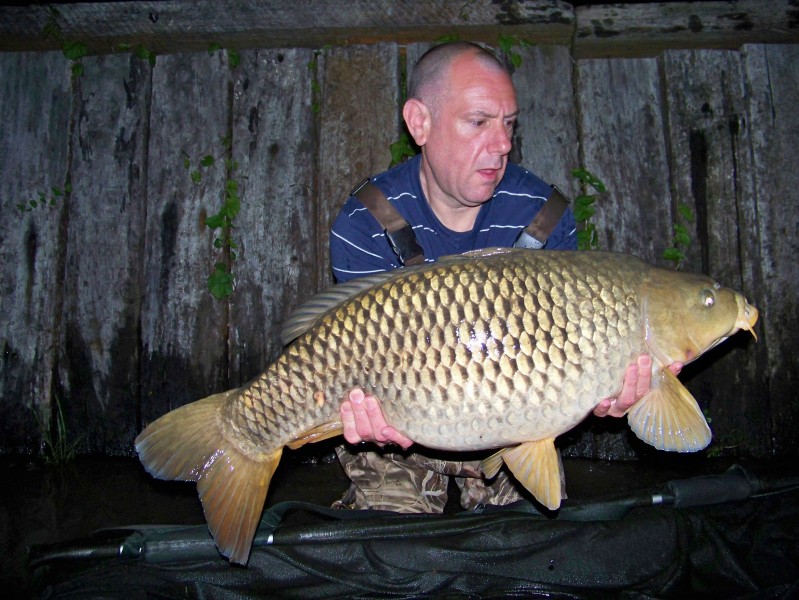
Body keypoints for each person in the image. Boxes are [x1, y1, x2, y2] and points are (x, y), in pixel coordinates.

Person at [328, 41, 681, 512]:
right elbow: (344, 357)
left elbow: (567, 357)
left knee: (522, 541)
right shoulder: (365, 220)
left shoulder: (544, 215)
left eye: (509, 124)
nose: (502, 145)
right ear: (420, 123)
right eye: (478, 122)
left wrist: (610, 387)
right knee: (390, 544)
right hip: (400, 424)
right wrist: (358, 414)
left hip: (511, 426)